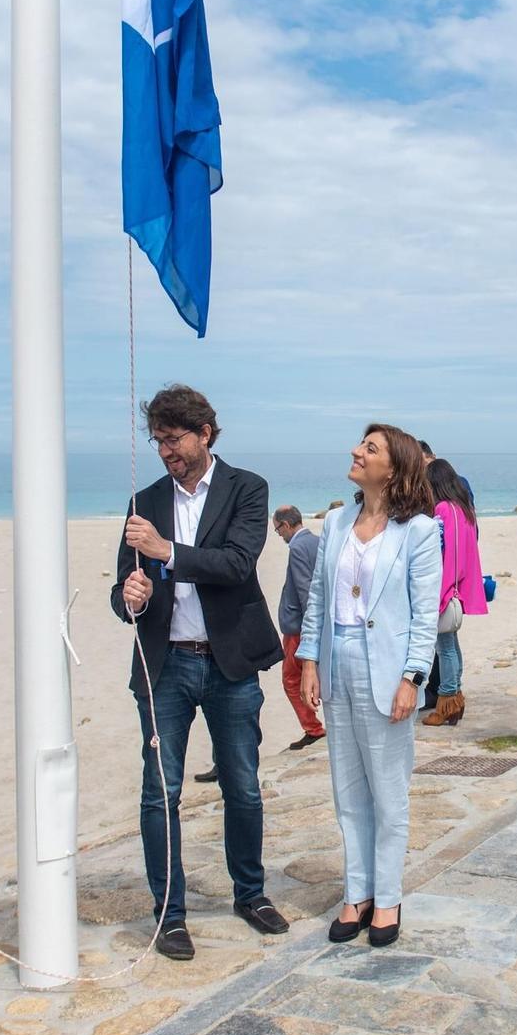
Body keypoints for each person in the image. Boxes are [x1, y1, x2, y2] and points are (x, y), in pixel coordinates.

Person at [110, 385, 290, 961]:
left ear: (205, 433)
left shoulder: (247, 488)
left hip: (231, 663)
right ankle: (170, 913)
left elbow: (237, 565)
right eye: (157, 440)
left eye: (174, 438)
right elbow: (123, 590)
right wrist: (129, 595)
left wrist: (166, 552)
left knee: (241, 784)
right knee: (160, 792)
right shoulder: (144, 501)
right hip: (165, 665)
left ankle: (251, 894)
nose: (166, 450)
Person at [297, 425, 439, 948]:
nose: (357, 452)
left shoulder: (419, 531)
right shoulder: (336, 521)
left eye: (370, 448)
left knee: (388, 791)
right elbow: (317, 597)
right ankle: (355, 892)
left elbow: (424, 615)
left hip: (388, 671)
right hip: (338, 663)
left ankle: (388, 897)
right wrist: (309, 658)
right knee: (348, 789)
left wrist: (412, 677)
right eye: (360, 444)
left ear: (394, 468)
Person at [423, 459, 487, 727]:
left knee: (445, 646)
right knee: (451, 644)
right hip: (458, 586)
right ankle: (455, 697)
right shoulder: (463, 508)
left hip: (445, 586)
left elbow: (442, 551)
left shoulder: (442, 509)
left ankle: (447, 700)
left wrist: (442, 588)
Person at [272, 506, 326, 750]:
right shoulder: (317, 541)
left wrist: (309, 632)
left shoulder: (297, 548)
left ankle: (313, 728)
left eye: (277, 530)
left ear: (285, 525)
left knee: (292, 680)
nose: (279, 535)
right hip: (312, 625)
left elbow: (305, 591)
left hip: (299, 629)